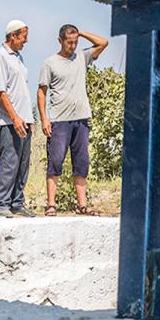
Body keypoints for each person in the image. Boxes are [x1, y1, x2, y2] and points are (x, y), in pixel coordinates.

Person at [37, 25, 108, 215]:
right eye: (69, 42)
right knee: (56, 161)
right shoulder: (50, 63)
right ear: (60, 40)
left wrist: (82, 33)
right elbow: (42, 92)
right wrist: (44, 119)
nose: (73, 45)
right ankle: (51, 204)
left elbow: (103, 42)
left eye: (75, 42)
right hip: (59, 120)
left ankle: (82, 205)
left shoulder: (82, 57)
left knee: (82, 162)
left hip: (81, 118)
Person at [0, 20, 34, 217]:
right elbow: (0, 92)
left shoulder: (19, 57)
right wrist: (15, 118)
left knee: (23, 164)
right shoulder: (0, 56)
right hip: (10, 121)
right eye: (23, 36)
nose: (26, 40)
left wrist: (28, 118)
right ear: (13, 36)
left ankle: (17, 202)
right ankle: (2, 204)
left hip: (25, 119)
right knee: (9, 161)